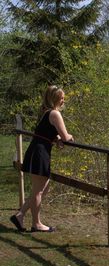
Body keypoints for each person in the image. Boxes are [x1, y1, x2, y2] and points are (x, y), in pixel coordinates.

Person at [10, 85, 74, 233]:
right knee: (39, 191)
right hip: (40, 152)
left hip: (37, 149)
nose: (63, 101)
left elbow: (47, 131)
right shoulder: (55, 114)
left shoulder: (45, 112)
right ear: (54, 99)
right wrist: (68, 137)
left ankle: (20, 215)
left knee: (42, 188)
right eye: (61, 98)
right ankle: (36, 224)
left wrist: (55, 137)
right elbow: (66, 137)